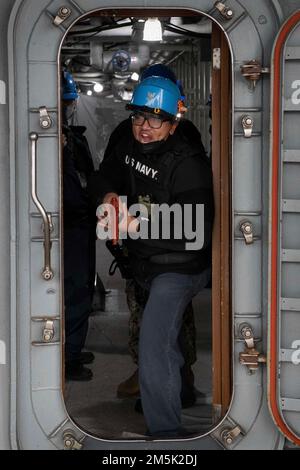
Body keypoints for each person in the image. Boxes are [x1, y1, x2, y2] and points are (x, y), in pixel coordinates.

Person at [95, 75, 214, 437]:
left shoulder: (188, 164)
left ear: (173, 122)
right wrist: (108, 199)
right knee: (167, 342)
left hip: (178, 269)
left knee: (154, 347)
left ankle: (166, 436)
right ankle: (178, 395)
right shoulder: (128, 148)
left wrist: (136, 225)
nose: (143, 127)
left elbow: (196, 229)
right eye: (138, 117)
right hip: (145, 264)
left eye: (154, 119)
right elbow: (103, 177)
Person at [62, 71, 96, 381]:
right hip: (68, 226)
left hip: (80, 225)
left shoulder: (72, 140)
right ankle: (68, 357)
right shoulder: (53, 143)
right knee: (74, 292)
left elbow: (88, 177)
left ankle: (71, 347)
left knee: (82, 286)